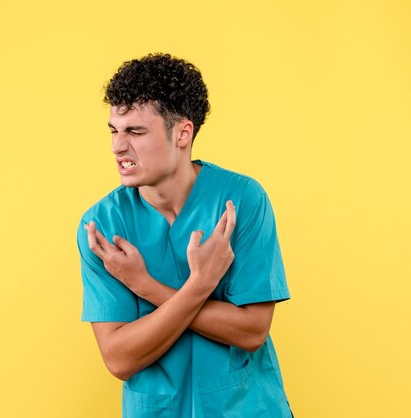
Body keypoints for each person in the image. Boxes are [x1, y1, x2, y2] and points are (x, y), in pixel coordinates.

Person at [77, 53, 294, 418]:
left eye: (136, 131)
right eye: (114, 130)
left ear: (182, 133)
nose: (117, 146)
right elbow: (118, 358)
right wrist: (200, 286)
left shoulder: (241, 201)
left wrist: (146, 286)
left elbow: (253, 331)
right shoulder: (103, 225)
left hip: (245, 408)